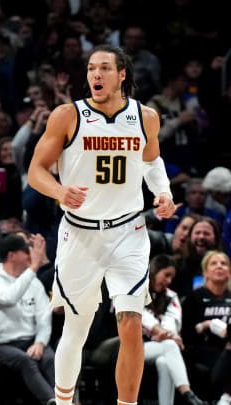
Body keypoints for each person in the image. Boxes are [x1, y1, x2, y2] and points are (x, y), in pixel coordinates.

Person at [27, 44, 177, 405]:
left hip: (128, 231)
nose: (95, 74)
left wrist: (164, 193)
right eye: (92, 68)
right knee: (76, 327)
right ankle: (63, 401)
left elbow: (151, 161)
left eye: (105, 68)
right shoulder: (67, 115)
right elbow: (35, 172)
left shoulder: (146, 118)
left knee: (131, 324)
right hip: (80, 233)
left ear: (122, 74)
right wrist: (61, 191)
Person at [0, 234, 55, 404]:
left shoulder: (34, 282)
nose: (31, 255)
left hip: (30, 340)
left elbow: (44, 316)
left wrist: (40, 342)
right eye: (26, 251)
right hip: (0, 343)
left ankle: (67, 400)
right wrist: (34, 267)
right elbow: (9, 297)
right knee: (25, 360)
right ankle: (53, 401)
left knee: (50, 358)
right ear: (11, 255)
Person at [141, 254, 205, 405]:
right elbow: (142, 317)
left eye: (171, 278)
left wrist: (168, 334)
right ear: (155, 270)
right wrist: (160, 332)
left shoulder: (171, 295)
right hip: (134, 345)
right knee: (170, 346)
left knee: (164, 361)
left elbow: (173, 319)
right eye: (166, 275)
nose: (169, 281)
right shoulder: (139, 290)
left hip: (160, 345)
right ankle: (187, 393)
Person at [180, 250, 231, 402]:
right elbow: (186, 333)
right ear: (205, 272)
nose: (219, 266)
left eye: (224, 263)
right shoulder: (194, 298)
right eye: (214, 263)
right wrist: (204, 325)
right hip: (203, 351)